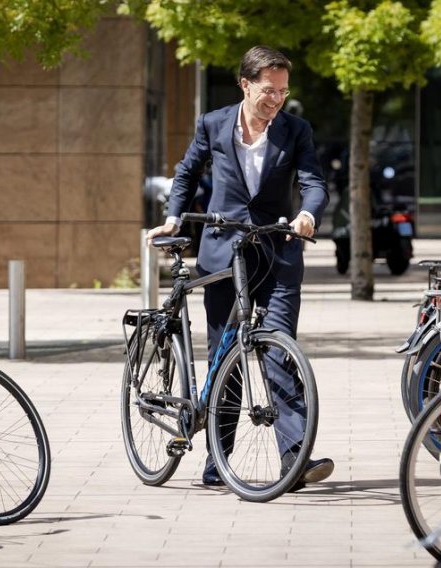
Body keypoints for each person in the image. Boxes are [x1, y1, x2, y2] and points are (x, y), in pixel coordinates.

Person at [147, 46, 333, 491]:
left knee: (278, 350)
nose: (276, 100)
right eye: (269, 90)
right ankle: (218, 462)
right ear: (245, 84)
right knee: (223, 355)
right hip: (223, 253)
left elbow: (313, 182)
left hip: (277, 252)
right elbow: (187, 172)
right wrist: (175, 216)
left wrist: (307, 214)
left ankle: (295, 459)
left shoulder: (295, 130)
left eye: (283, 92)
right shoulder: (213, 123)